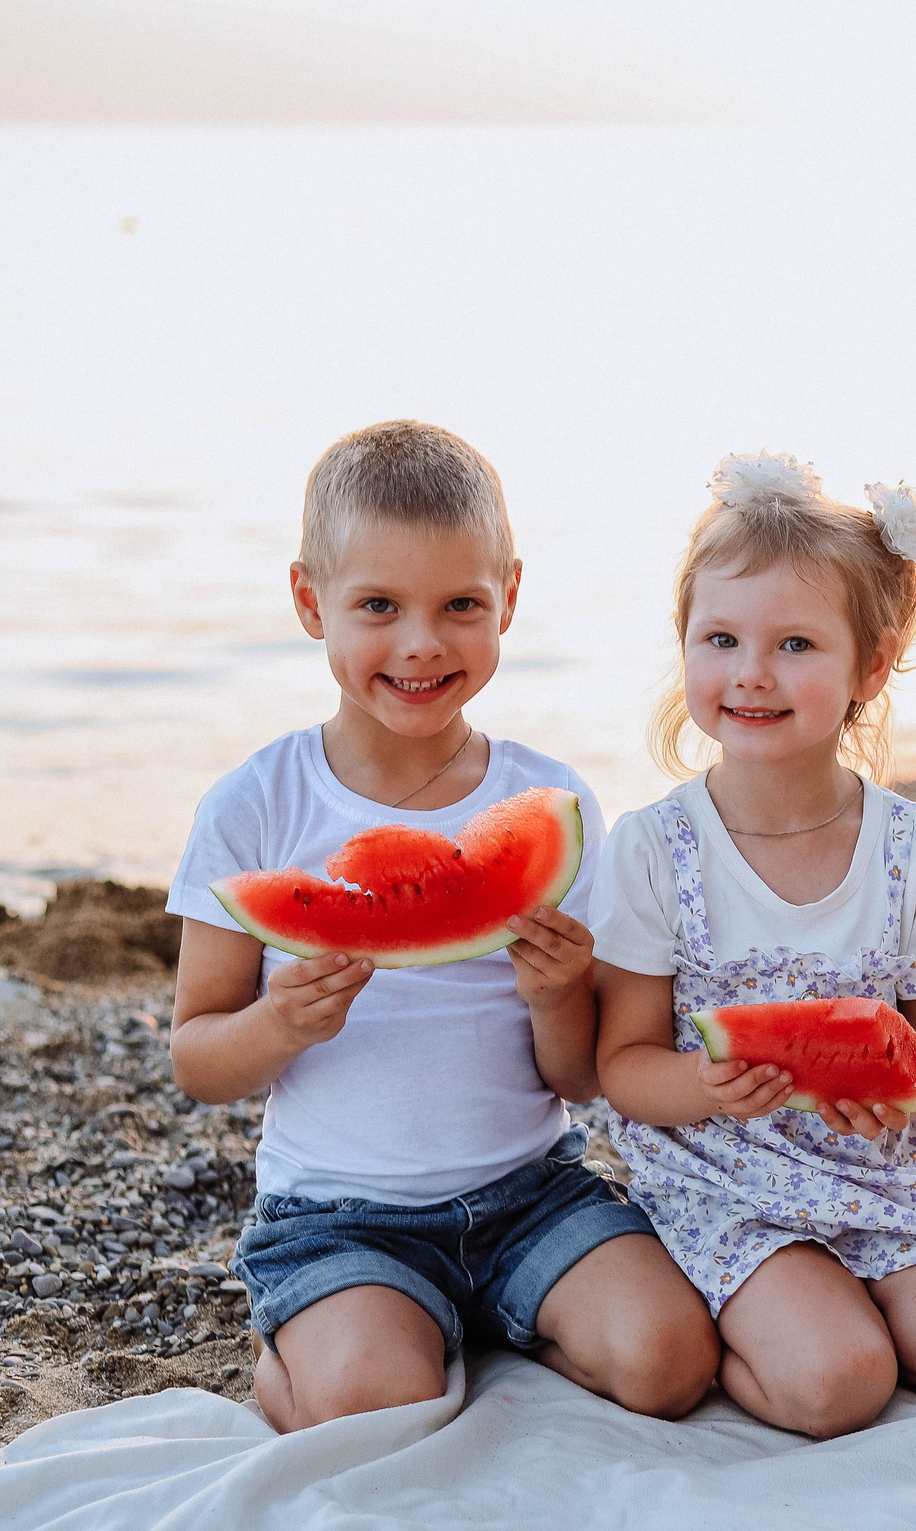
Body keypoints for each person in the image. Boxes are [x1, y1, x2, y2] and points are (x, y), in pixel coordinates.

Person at [165, 420, 719, 1432]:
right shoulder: (254, 806)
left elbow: (580, 1077)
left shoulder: (549, 801)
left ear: (509, 598)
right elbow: (199, 1062)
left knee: (671, 1363)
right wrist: (280, 1024)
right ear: (308, 603)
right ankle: (306, 1349)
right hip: (339, 1219)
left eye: (460, 606)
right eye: (378, 606)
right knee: (372, 1404)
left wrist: (557, 995)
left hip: (530, 1193)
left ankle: (483, 1318)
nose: (421, 644)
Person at [591, 452, 916, 1439]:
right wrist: (707, 1087)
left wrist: (909, 1082)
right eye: (720, 638)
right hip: (728, 1174)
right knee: (837, 1386)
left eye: (795, 644)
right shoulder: (651, 849)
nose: (751, 674)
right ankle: (758, 1337)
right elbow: (621, 1067)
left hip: (892, 1167)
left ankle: (865, 1305)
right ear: (683, 645)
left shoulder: (912, 847)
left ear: (871, 665)